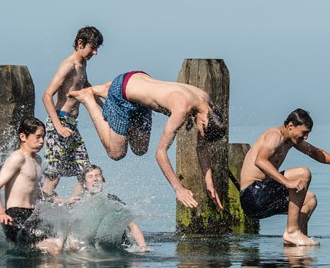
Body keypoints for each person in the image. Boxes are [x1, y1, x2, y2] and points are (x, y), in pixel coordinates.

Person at [71, 71, 227, 209]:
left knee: (140, 149)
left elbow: (201, 148)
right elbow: (160, 153)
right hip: (122, 94)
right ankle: (89, 99)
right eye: (201, 131)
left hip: (139, 83)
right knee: (116, 153)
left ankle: (107, 90)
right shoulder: (182, 108)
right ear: (205, 122)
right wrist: (178, 188)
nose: (199, 133)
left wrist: (209, 183)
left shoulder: (206, 104)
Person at [239, 108, 330, 246]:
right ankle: (292, 232)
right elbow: (260, 160)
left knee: (309, 200)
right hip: (252, 196)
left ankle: (297, 240)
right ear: (291, 125)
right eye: (304, 133)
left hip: (262, 196)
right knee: (303, 173)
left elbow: (314, 152)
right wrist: (286, 182)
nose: (306, 137)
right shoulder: (274, 135)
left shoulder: (290, 140)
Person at [41, 26, 103, 200]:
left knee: (86, 172)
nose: (95, 52)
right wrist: (58, 127)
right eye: (93, 47)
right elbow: (46, 96)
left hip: (71, 125)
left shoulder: (83, 64)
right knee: (54, 173)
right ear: (80, 43)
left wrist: (104, 107)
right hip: (58, 123)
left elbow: (86, 87)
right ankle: (44, 207)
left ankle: (71, 206)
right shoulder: (69, 65)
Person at [0, 116, 65, 254]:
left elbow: (36, 191)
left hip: (33, 215)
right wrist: (1, 213)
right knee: (54, 249)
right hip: (15, 217)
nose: (42, 141)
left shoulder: (37, 160)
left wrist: (59, 201)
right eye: (38, 137)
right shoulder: (17, 158)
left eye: (43, 137)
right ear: (23, 137)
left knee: (69, 243)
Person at [73, 164, 149, 251]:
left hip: (121, 246)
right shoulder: (80, 204)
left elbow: (132, 225)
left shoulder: (113, 200)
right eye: (90, 176)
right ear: (84, 184)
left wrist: (142, 246)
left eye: (98, 175)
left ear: (103, 179)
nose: (95, 179)